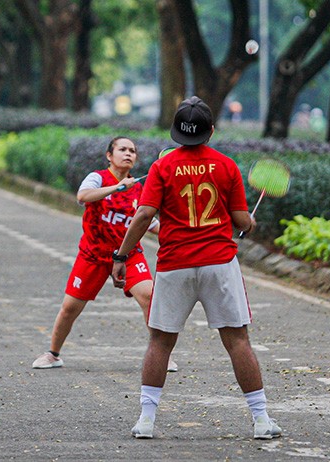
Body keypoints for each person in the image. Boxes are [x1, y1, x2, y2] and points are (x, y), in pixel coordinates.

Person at [111, 96, 281, 440]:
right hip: (219, 264)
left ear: (176, 132)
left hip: (175, 264)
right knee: (237, 341)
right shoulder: (226, 166)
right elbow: (239, 220)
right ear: (211, 131)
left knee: (160, 342)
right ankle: (261, 420)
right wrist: (250, 222)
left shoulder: (162, 167)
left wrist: (121, 256)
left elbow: (144, 215)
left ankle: (146, 420)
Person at [32, 136, 178, 373]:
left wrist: (180, 233)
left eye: (132, 151)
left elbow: (148, 223)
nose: (128, 153)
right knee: (70, 307)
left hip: (128, 254)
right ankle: (53, 354)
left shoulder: (139, 189)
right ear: (110, 156)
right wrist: (117, 187)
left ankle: (163, 355)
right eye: (122, 149)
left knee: (150, 296)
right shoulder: (97, 177)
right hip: (93, 255)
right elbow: (82, 196)